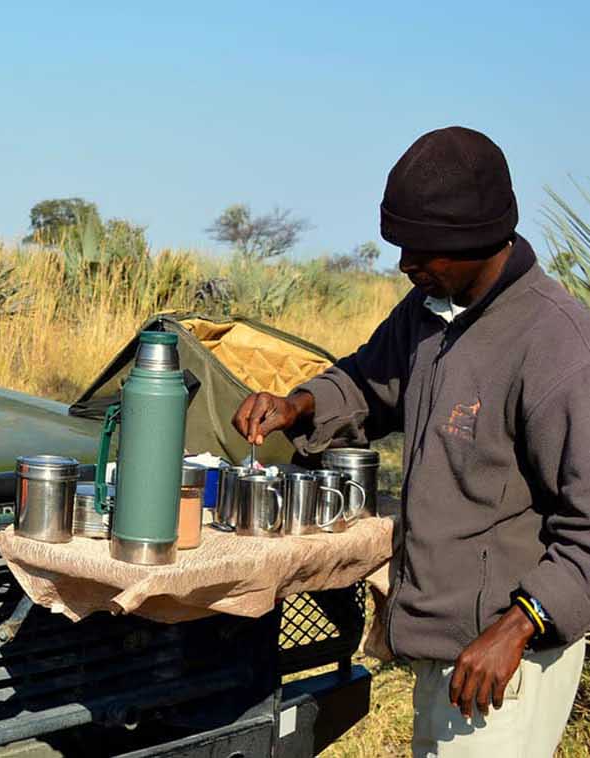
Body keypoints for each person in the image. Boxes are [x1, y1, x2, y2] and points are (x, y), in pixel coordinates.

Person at [233, 126, 590, 757]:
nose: (405, 266)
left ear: (476, 240)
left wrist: (519, 626)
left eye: (421, 250)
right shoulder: (429, 310)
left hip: (504, 657)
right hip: (439, 638)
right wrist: (298, 405)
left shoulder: (558, 346)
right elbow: (370, 380)